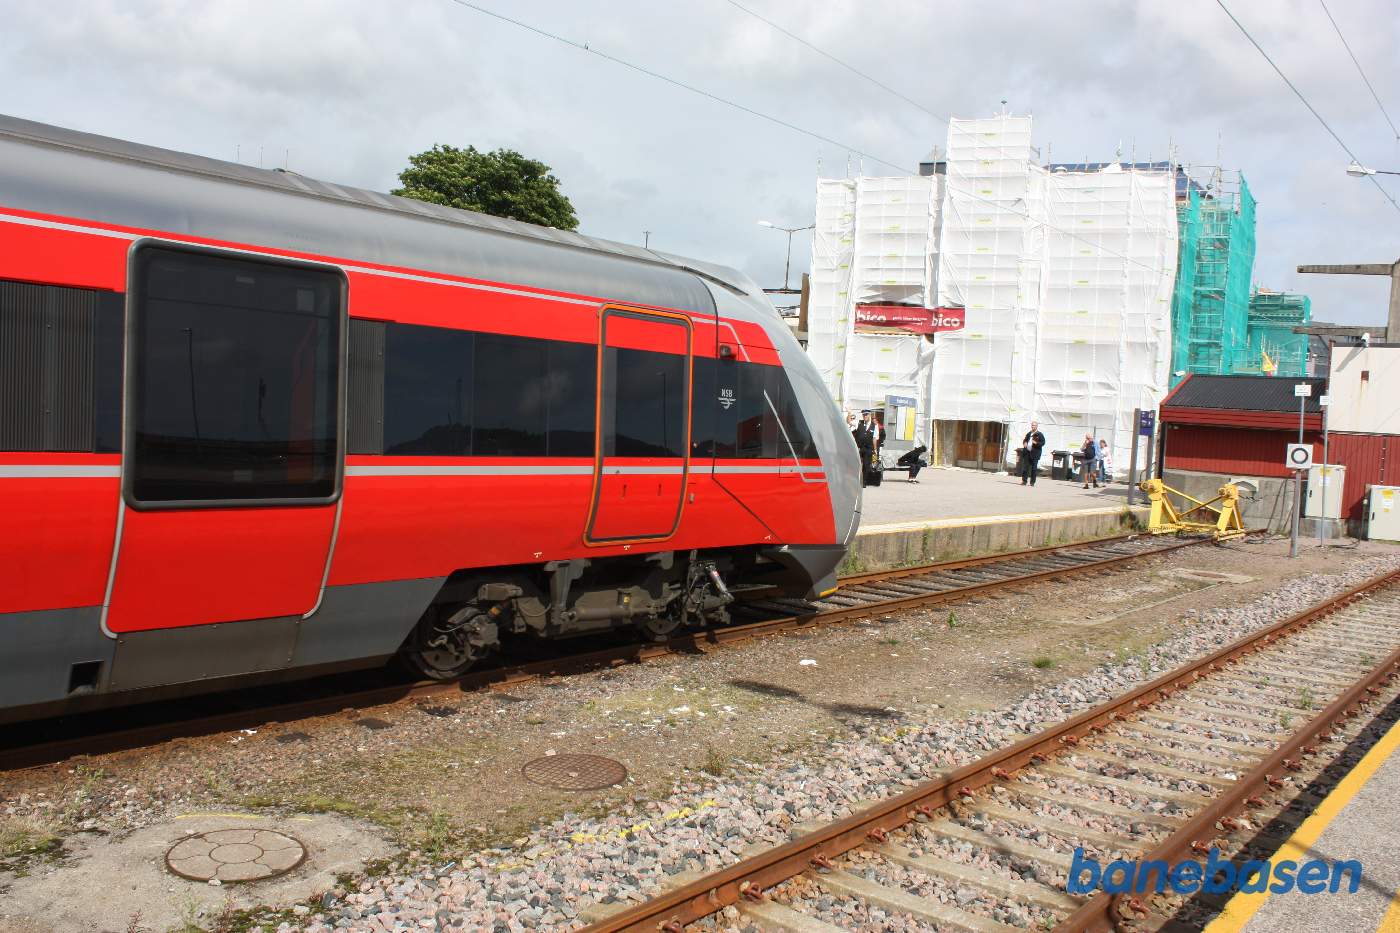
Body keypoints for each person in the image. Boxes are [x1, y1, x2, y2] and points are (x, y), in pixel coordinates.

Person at [1020, 421, 1046, 486]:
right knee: (1025, 468)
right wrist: (1024, 443)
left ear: (1036, 426)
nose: (1033, 426)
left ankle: (1032, 482)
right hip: (1027, 453)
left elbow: (1043, 443)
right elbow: (1025, 440)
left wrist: (1036, 443)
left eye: (1034, 425)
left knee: (1034, 469)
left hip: (1035, 454)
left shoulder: (1039, 434)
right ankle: (1024, 481)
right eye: (1032, 425)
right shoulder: (1029, 433)